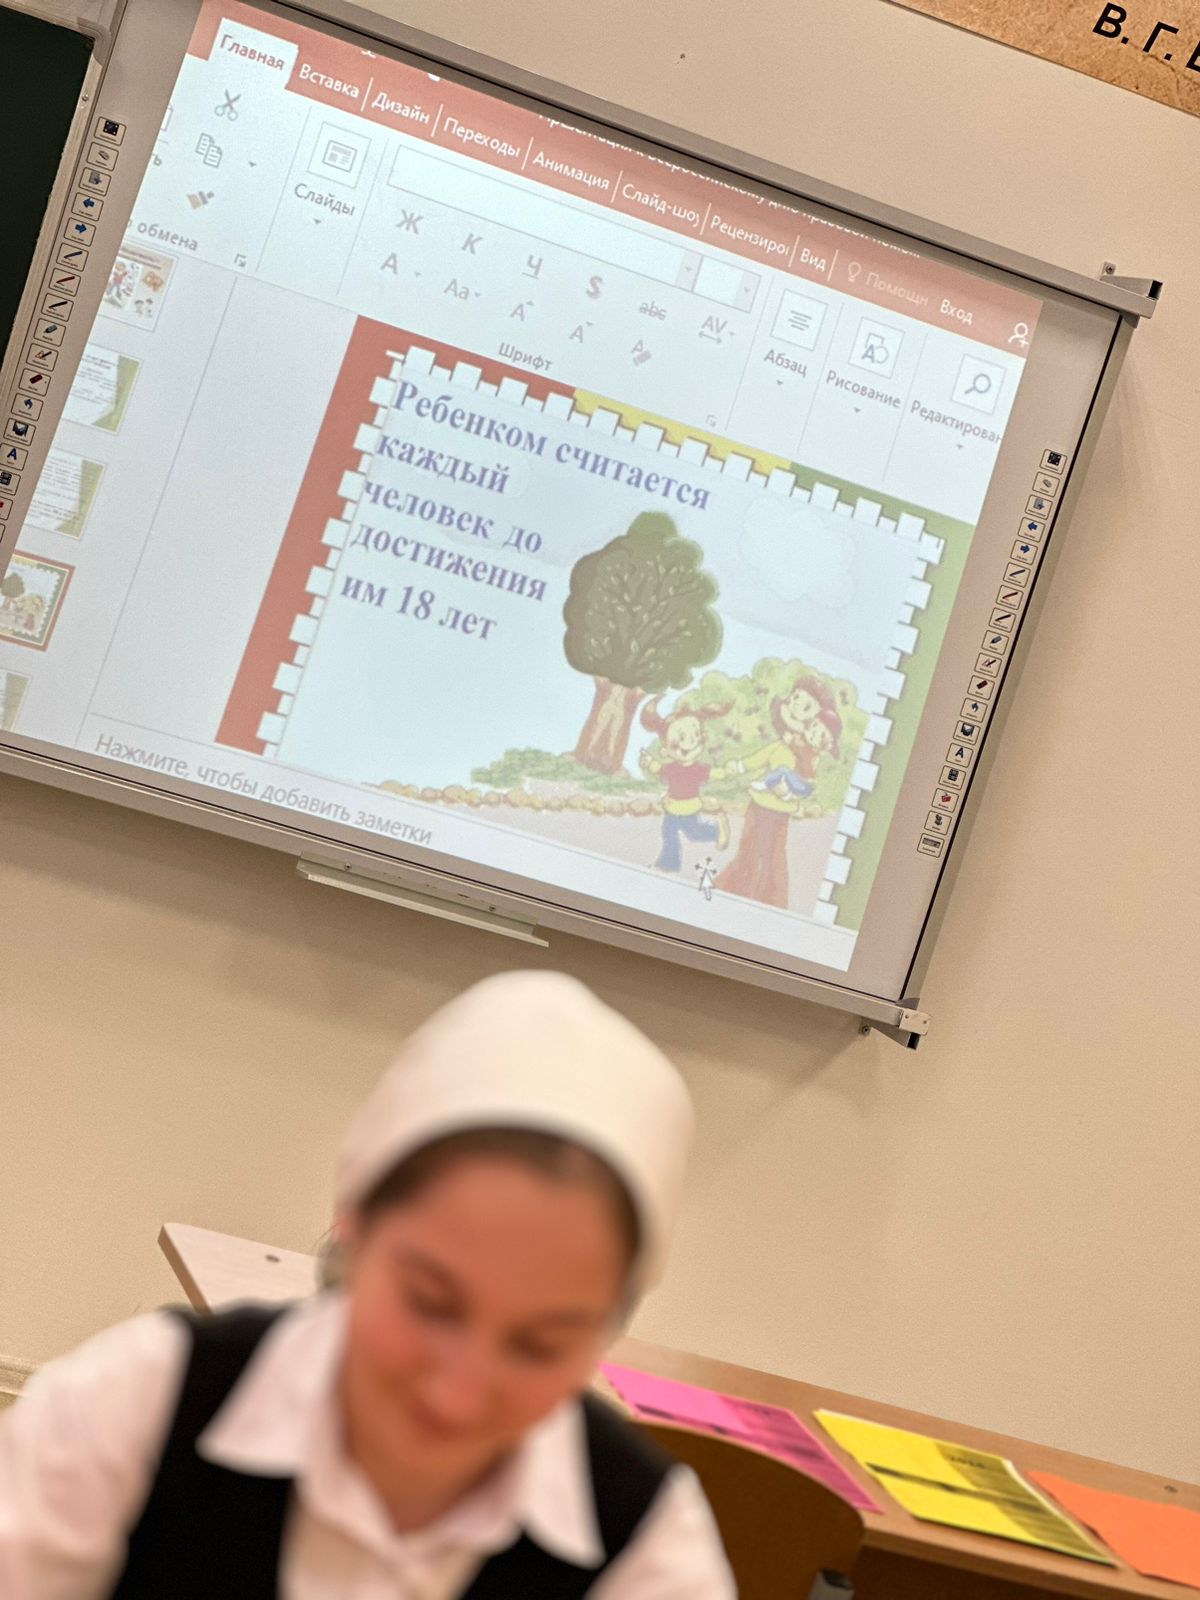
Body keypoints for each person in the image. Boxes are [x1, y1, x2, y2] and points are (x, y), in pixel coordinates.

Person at [0, 972, 735, 1598]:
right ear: (353, 1223)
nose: (458, 1393)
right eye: (430, 1304)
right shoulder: (144, 1401)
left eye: (541, 1345)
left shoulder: (645, 1549)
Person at [716, 676, 837, 908]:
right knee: (752, 852)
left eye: (806, 707)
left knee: (773, 858)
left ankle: (769, 902)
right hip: (759, 807)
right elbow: (758, 758)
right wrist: (739, 766)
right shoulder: (780, 746)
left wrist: (789, 795)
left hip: (780, 813)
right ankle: (738, 895)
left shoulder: (810, 755)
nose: (795, 708)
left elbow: (806, 783)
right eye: (793, 700)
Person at [638, 695, 732, 874]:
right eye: (680, 739)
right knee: (669, 834)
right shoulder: (671, 768)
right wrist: (648, 762)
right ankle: (668, 865)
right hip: (672, 807)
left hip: (689, 807)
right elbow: (658, 769)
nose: (690, 742)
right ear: (665, 749)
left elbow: (713, 773)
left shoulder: (698, 769)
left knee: (693, 833)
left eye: (696, 735)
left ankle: (717, 831)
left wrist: (726, 771)